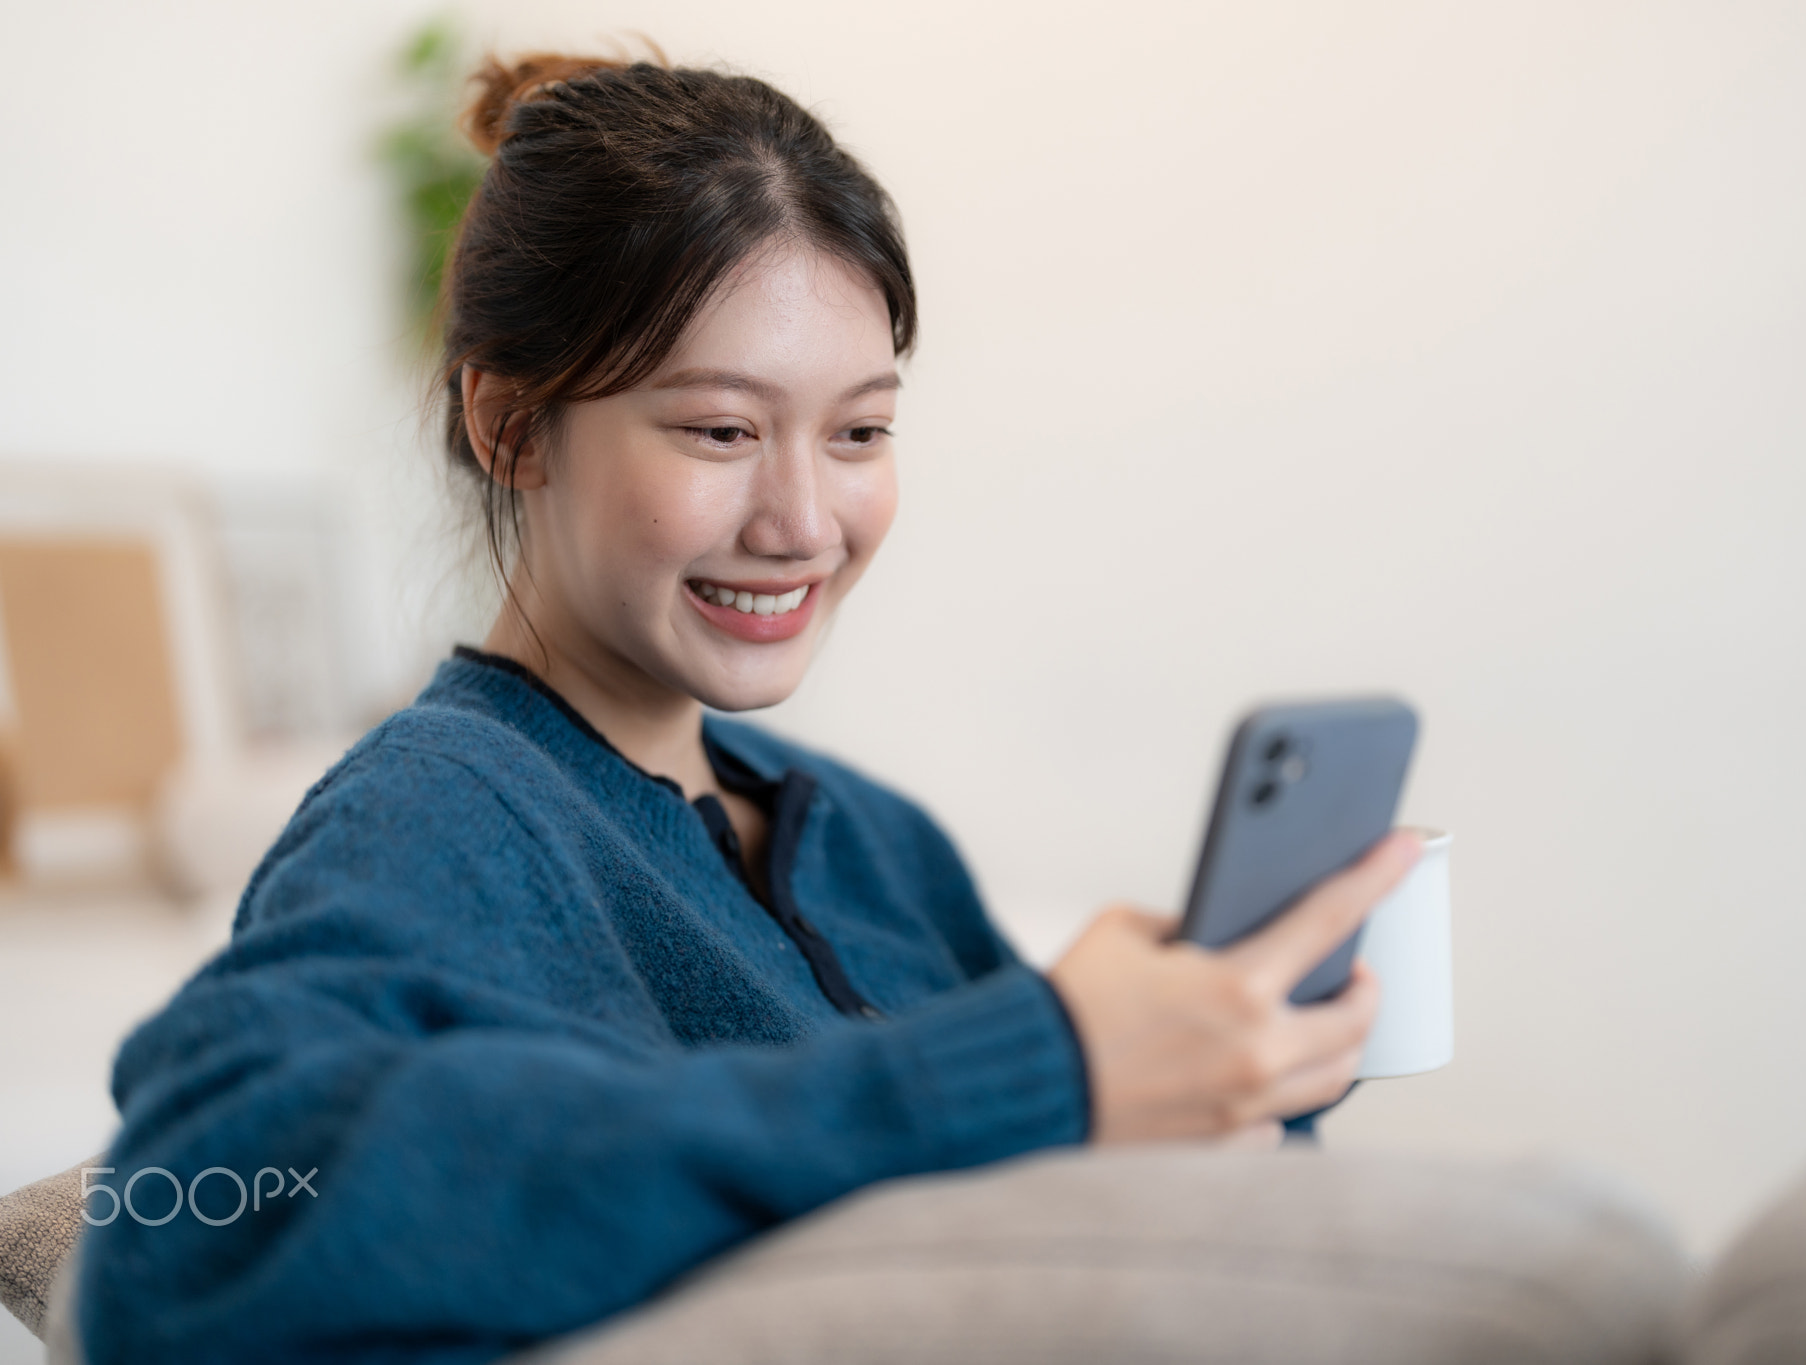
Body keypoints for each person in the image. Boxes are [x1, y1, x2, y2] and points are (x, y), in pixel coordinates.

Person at [74, 53, 1420, 1364]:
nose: (802, 522)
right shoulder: (440, 815)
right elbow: (174, 1236)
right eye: (721, 429)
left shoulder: (875, 840)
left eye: (860, 432)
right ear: (510, 427)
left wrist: (1228, 1075)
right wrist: (1039, 1063)